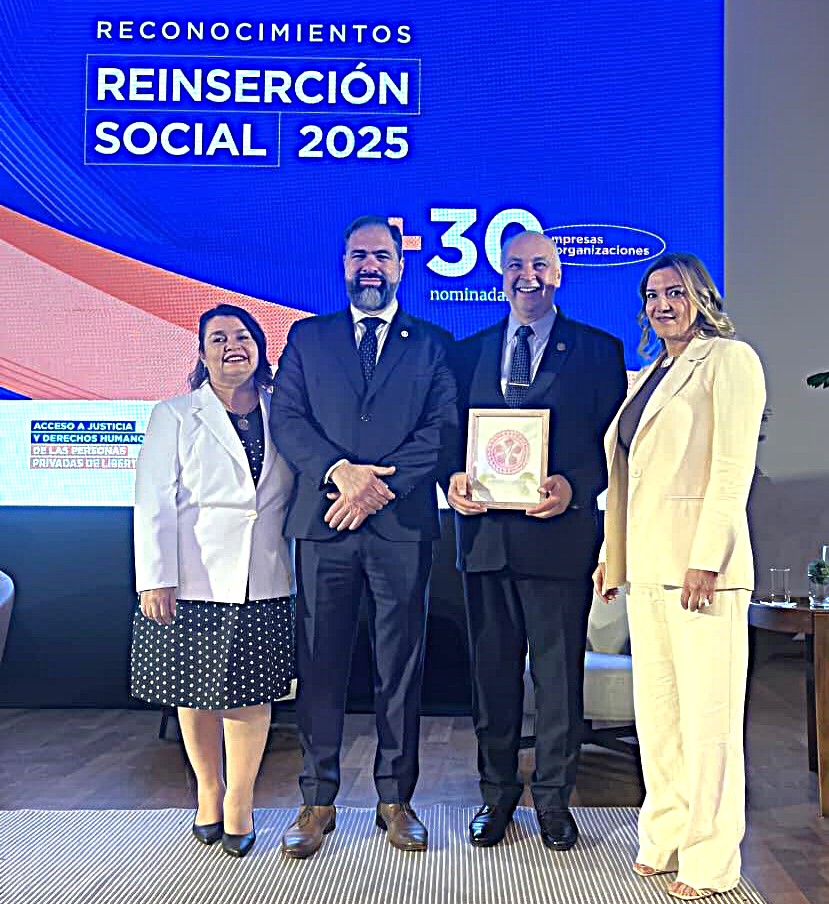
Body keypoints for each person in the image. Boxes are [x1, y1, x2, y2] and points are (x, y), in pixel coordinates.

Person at [271, 215, 458, 858]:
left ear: (401, 265)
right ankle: (316, 800)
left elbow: (442, 428)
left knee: (399, 667)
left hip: (400, 528)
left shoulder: (432, 343)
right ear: (344, 264)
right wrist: (340, 472)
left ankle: (396, 800)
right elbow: (288, 418)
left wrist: (379, 487)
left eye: (381, 255)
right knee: (320, 662)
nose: (370, 266)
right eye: (358, 255)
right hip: (323, 524)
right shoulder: (307, 337)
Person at [593, 253, 766, 900]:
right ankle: (664, 837)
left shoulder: (729, 360)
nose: (661, 304)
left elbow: (730, 468)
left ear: (701, 297)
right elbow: (628, 477)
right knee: (659, 715)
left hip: (702, 571)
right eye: (651, 294)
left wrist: (706, 557)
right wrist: (611, 555)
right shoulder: (647, 376)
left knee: (707, 720)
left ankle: (710, 859)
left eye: (674, 292)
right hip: (646, 568)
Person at [448, 230, 627, 851]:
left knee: (557, 682)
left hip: (559, 542)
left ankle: (554, 800)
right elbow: (448, 439)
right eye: (517, 265)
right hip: (485, 541)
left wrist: (574, 487)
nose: (529, 275)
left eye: (541, 265)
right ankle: (496, 795)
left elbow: (613, 449)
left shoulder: (600, 350)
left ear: (559, 275)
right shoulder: (465, 353)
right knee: (493, 680)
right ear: (501, 275)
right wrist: (452, 480)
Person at [132, 303, 295, 859]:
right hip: (192, 578)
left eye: (243, 336)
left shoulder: (284, 411)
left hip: (264, 574)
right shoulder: (175, 414)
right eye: (218, 338)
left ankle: (241, 801)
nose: (232, 346)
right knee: (194, 692)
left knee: (253, 694)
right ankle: (208, 790)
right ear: (202, 353)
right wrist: (155, 577)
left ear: (260, 348)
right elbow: (153, 500)